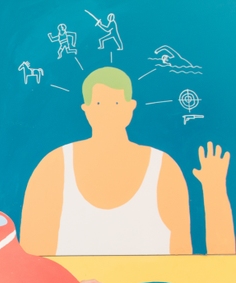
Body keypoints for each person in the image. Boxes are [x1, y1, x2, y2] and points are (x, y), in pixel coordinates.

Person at [20, 66, 234, 256]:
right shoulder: (54, 167)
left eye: (115, 102)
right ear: (87, 109)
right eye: (99, 103)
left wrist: (214, 189)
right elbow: (31, 263)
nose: (108, 111)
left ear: (130, 107)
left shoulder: (163, 168)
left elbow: (182, 258)